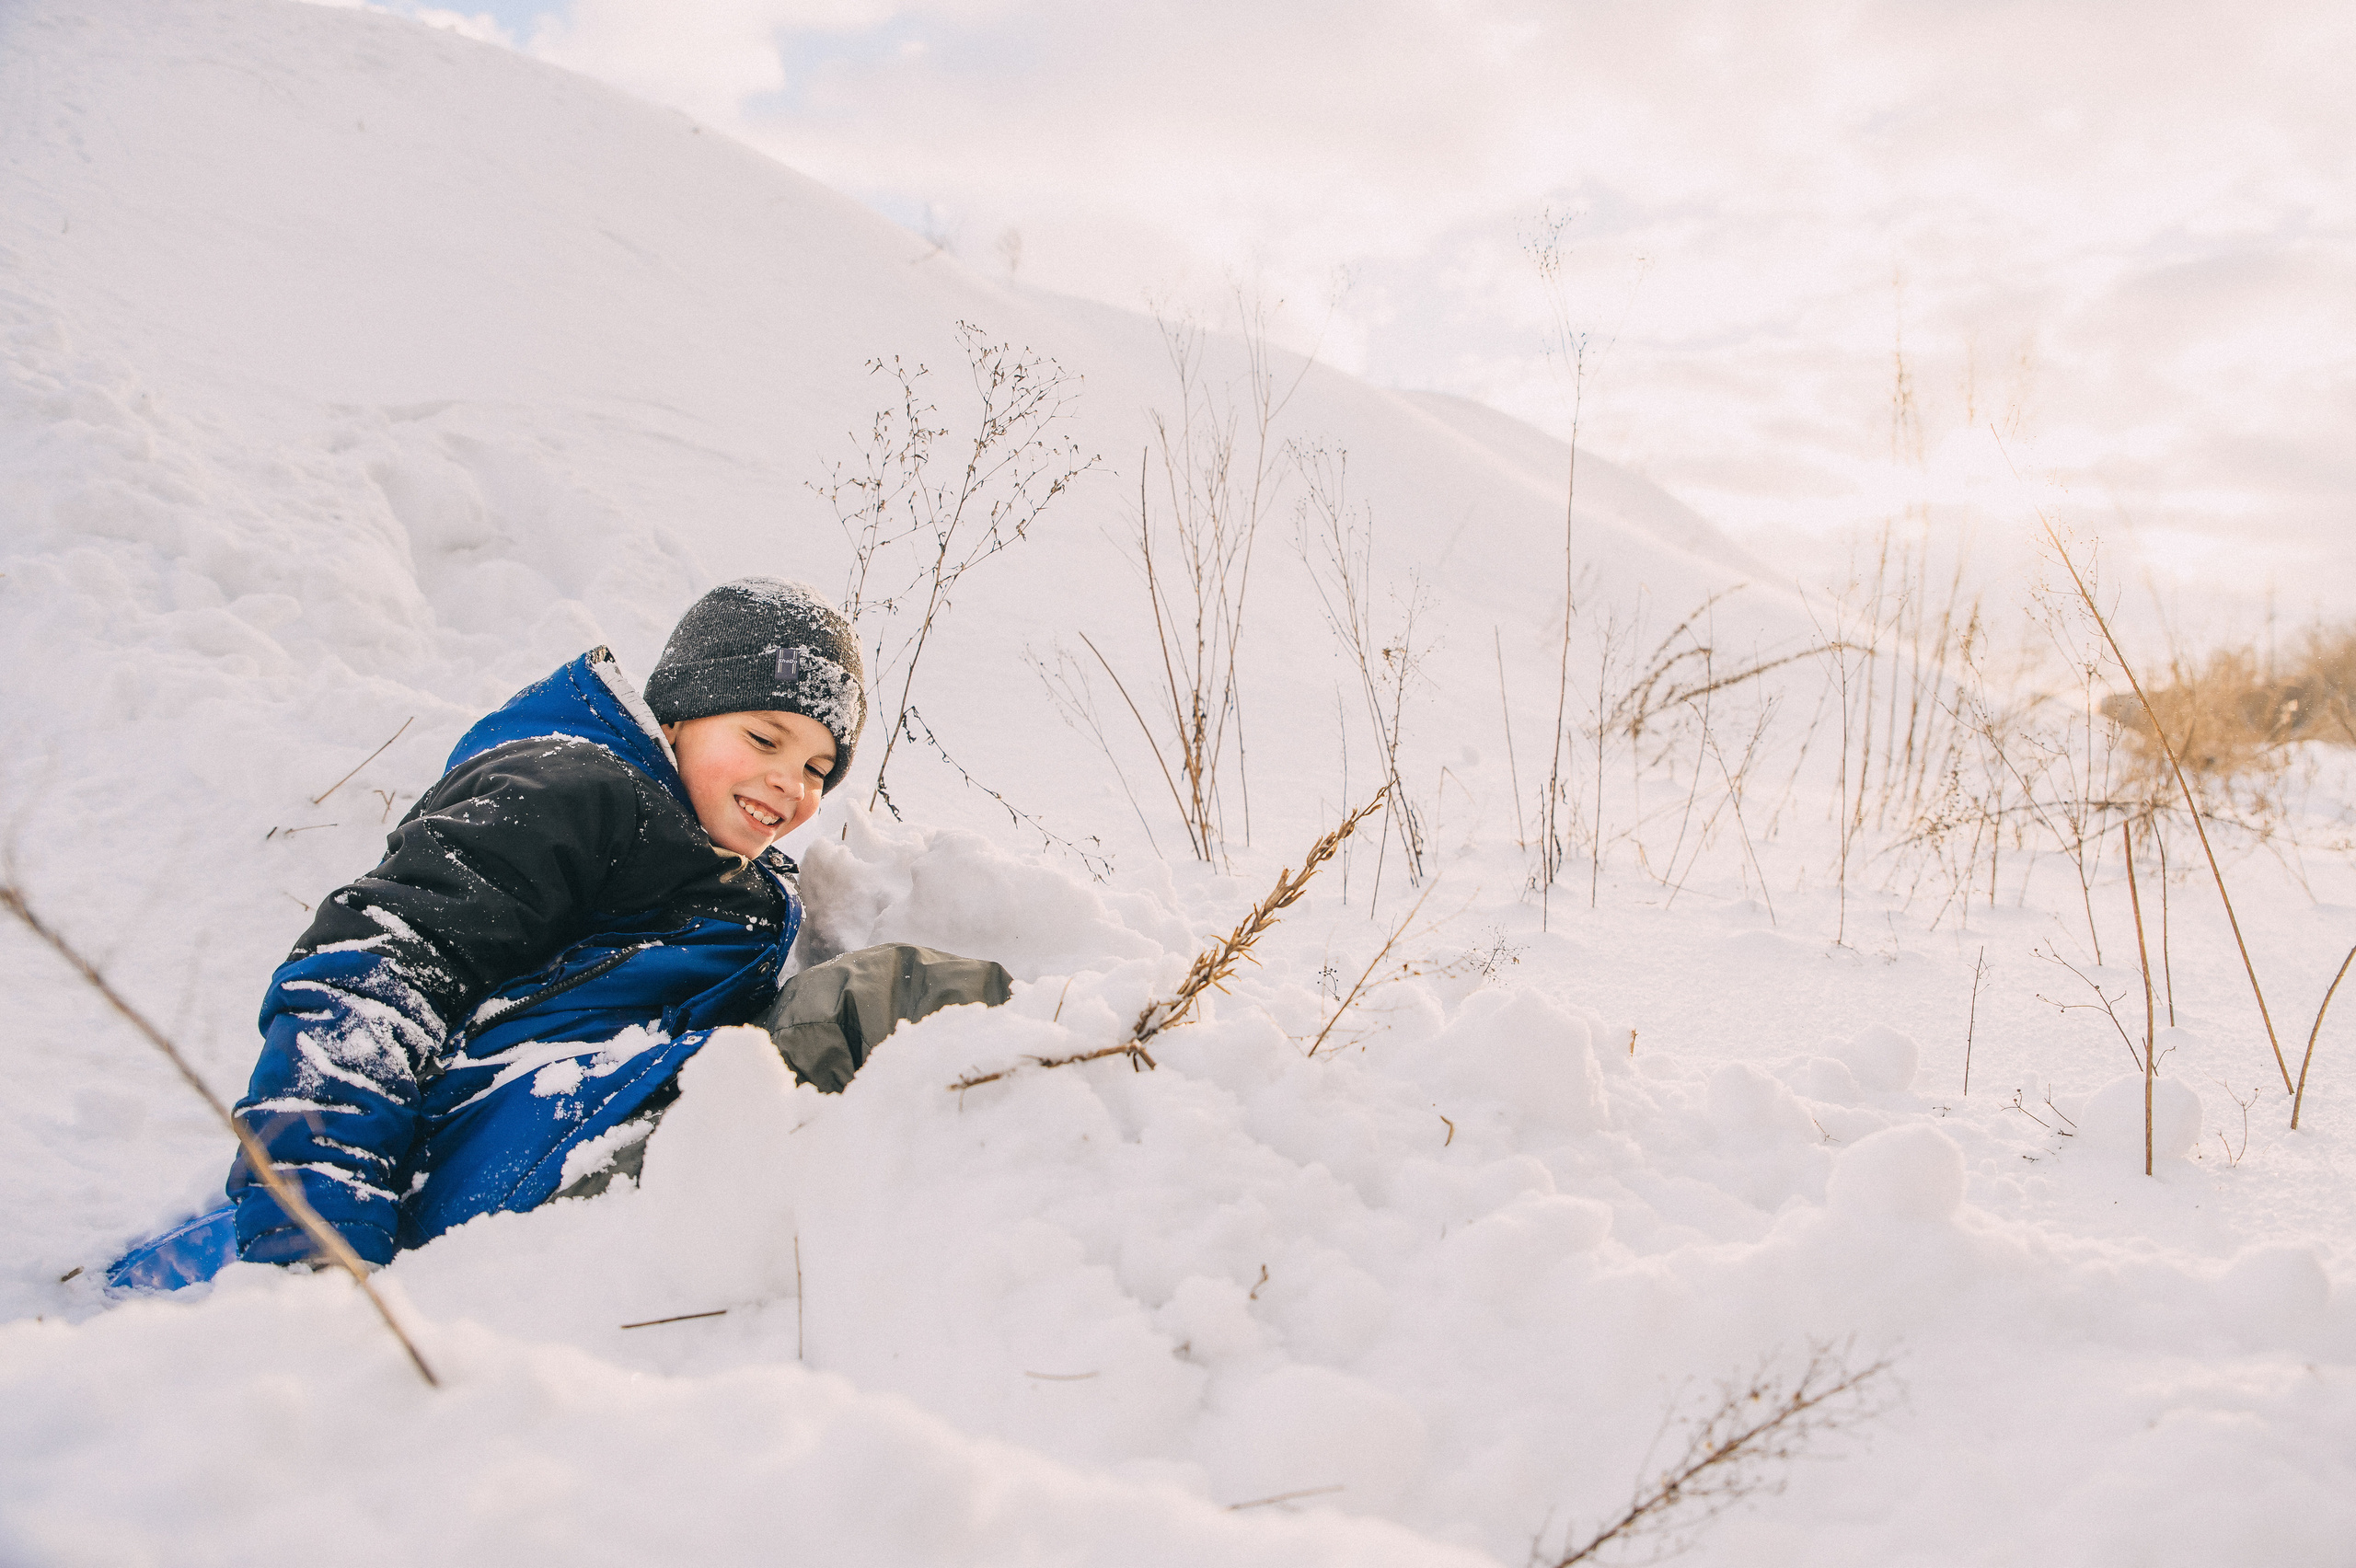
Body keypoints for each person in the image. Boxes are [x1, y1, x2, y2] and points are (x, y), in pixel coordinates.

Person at [108, 578, 1007, 1290]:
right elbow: (373, 973)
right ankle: (1080, 1071)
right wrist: (315, 1232)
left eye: (818, 766)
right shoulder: (575, 788)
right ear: (680, 715)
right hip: (525, 1158)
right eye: (765, 738)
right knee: (885, 995)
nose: (793, 784)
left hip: (582, 1143)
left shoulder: (727, 876)